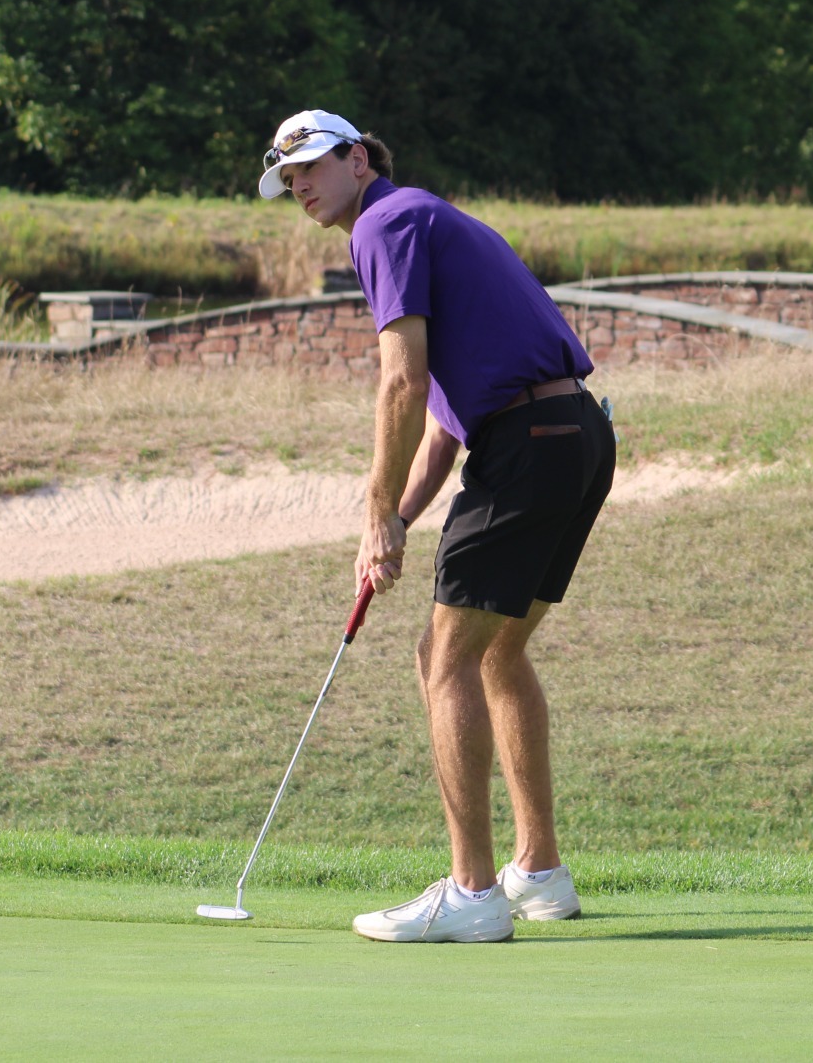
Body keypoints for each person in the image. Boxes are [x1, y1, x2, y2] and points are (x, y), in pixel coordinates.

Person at [258, 109, 616, 943]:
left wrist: (374, 507)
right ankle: (541, 873)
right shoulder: (421, 219)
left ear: (356, 158)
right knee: (497, 649)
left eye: (311, 165)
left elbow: (401, 384)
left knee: (440, 655)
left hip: (528, 446)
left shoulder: (382, 223)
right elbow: (447, 425)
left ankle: (473, 893)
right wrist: (399, 523)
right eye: (288, 178)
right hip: (576, 437)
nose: (301, 185)